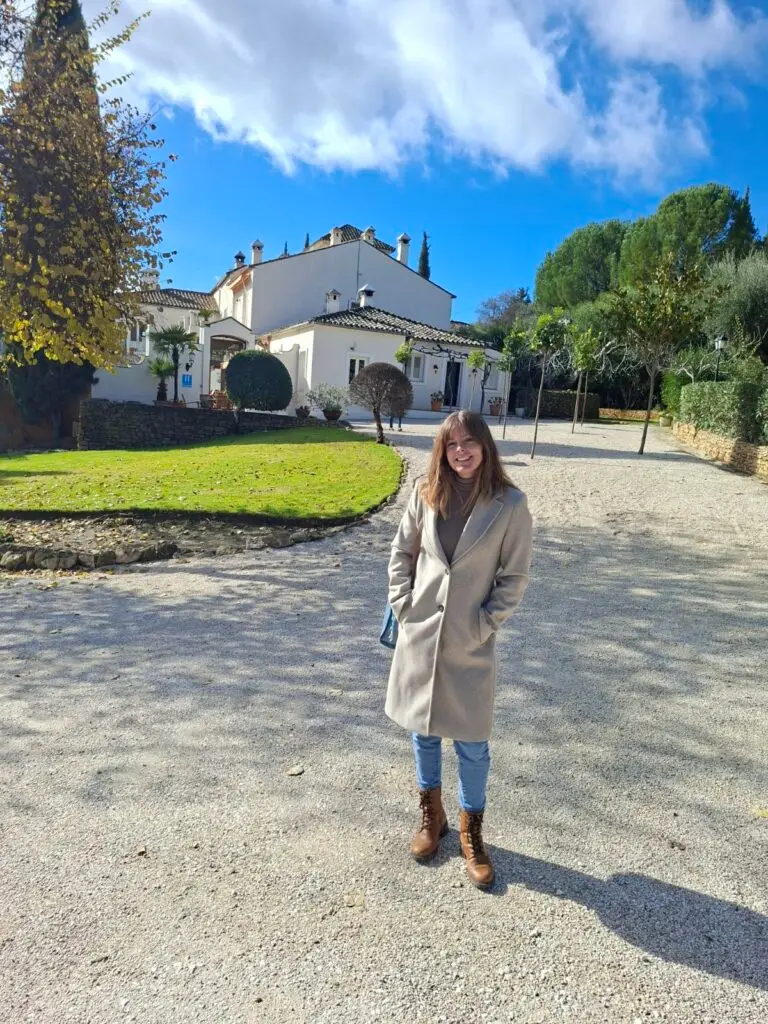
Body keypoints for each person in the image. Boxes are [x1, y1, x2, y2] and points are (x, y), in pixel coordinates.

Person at [385, 410, 533, 889]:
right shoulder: (426, 492)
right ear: (442, 451)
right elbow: (402, 552)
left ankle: (472, 831)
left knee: (472, 741)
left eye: (470, 442)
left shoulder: (510, 504)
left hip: (470, 640)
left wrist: (484, 624)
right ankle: (432, 816)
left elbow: (513, 577)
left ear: (485, 446)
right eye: (452, 445)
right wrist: (403, 604)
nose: (461, 452)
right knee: (423, 730)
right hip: (420, 634)